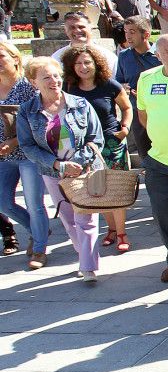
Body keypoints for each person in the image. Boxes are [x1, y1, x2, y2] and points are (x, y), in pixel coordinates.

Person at [16, 57, 105, 281]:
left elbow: (96, 138)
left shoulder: (80, 104)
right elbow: (27, 145)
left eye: (56, 76)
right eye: (46, 77)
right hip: (52, 172)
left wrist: (79, 162)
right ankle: (83, 252)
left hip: (85, 170)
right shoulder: (27, 111)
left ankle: (88, 267)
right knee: (68, 218)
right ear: (33, 81)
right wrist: (58, 164)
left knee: (86, 217)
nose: (53, 81)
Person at [62, 45, 133, 253]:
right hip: (87, 148)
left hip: (112, 143)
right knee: (97, 190)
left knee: (117, 189)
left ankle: (121, 233)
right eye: (78, 63)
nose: (83, 67)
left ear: (96, 64)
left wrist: (125, 128)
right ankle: (110, 229)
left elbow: (126, 107)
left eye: (87, 62)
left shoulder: (108, 85)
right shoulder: (69, 88)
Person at [0, 41, 48, 268]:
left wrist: (14, 141)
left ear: (15, 58)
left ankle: (39, 249)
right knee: (3, 202)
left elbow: (40, 122)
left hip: (29, 153)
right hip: (3, 157)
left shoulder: (28, 88)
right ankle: (36, 229)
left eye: (1, 56)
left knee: (34, 202)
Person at [113, 17, 159, 162]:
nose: (127, 36)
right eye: (126, 32)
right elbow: (119, 82)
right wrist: (124, 88)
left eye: (132, 32)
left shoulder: (160, 54)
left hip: (160, 109)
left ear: (145, 34)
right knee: (145, 152)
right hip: (137, 111)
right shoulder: (124, 56)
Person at [51, 13, 118, 72]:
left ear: (90, 29)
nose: (77, 30)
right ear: (65, 31)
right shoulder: (56, 58)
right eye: (72, 27)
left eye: (81, 27)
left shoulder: (107, 56)